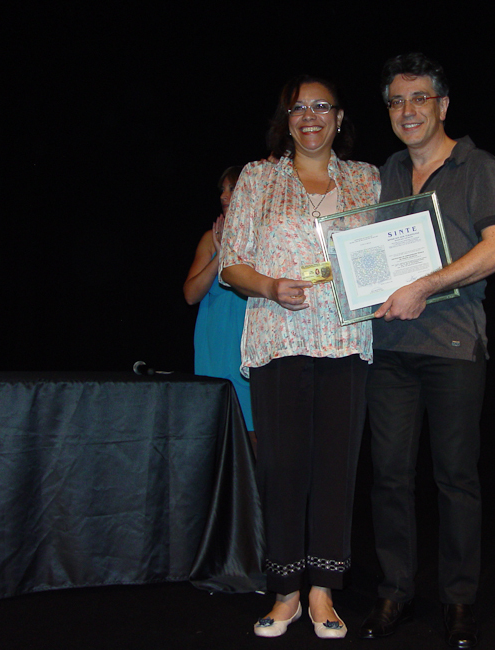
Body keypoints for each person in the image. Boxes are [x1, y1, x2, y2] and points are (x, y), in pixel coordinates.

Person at [359, 53, 495, 649]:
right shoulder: (385, 172)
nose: (408, 110)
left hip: (453, 345)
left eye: (420, 98)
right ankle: (394, 591)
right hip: (389, 347)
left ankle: (458, 599)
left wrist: (424, 286)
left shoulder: (481, 166)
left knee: (455, 478)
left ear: (443, 105)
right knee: (389, 477)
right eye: (397, 101)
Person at [218, 74, 380, 639]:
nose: (310, 116)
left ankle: (323, 590)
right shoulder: (258, 178)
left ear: (340, 117)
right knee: (282, 468)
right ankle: (285, 589)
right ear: (285, 120)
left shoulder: (367, 179)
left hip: (345, 340)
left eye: (321, 106)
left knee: (336, 467)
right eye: (298, 108)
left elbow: (388, 254)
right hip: (279, 339)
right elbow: (230, 263)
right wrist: (268, 286)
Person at [183, 165, 255, 439]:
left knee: (253, 437)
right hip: (216, 348)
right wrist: (220, 255)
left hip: (249, 347)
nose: (224, 196)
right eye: (222, 190)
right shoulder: (209, 238)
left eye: (232, 188)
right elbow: (191, 295)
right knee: (218, 434)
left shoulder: (263, 235)